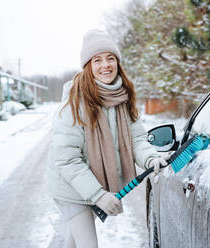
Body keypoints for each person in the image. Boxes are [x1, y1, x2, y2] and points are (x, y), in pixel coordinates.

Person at [46, 29, 167, 248]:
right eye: (97, 60)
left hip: (93, 184)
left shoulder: (123, 98)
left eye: (110, 58)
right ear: (88, 66)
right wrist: (98, 195)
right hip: (71, 188)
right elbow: (67, 159)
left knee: (71, 242)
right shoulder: (74, 104)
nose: (105, 65)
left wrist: (150, 158)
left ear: (118, 62)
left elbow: (136, 139)